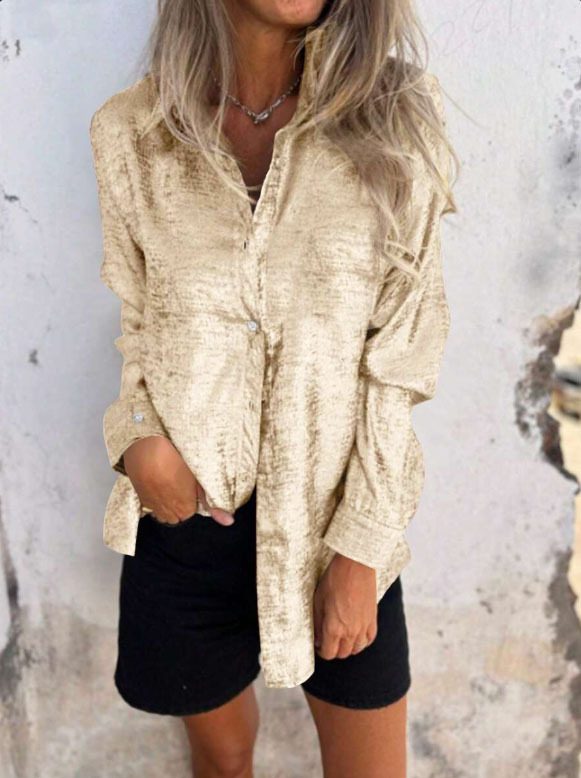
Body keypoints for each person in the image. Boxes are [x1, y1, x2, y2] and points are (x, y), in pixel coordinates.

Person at [89, 0, 459, 775]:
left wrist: (360, 550)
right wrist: (137, 436)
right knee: (223, 766)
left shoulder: (395, 115)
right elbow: (141, 319)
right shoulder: (133, 131)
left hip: (332, 529)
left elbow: (401, 357)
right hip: (187, 522)